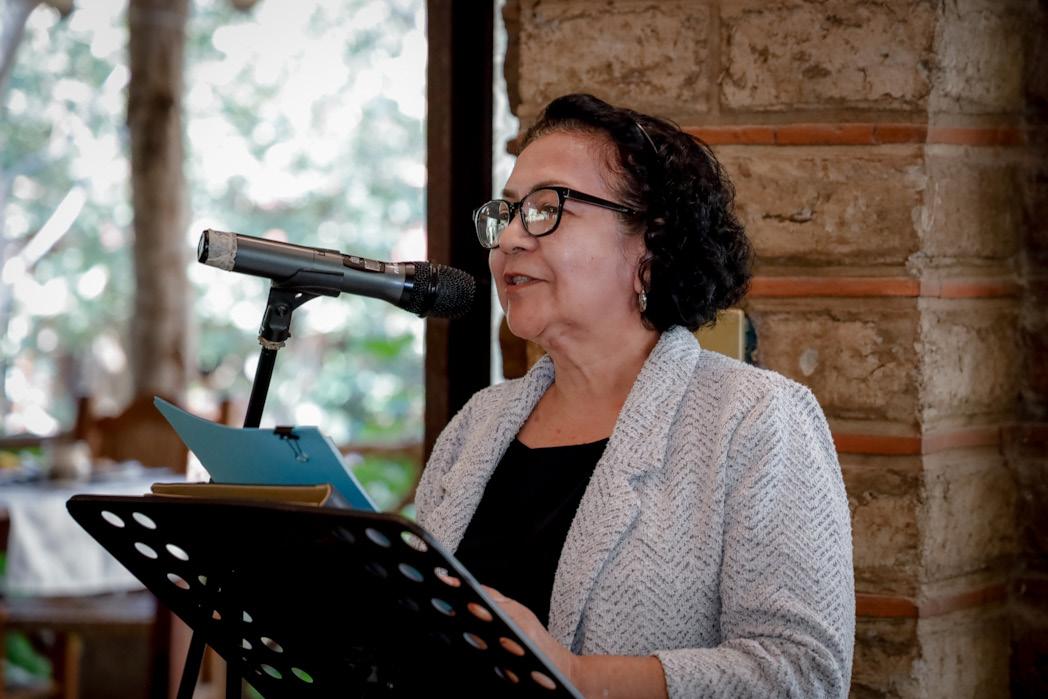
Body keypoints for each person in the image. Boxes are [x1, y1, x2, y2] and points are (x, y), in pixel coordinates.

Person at [415, 93, 854, 698]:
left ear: (650, 241)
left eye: (546, 208)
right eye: (507, 212)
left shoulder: (756, 419)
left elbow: (804, 675)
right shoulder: (477, 423)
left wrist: (575, 676)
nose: (510, 238)